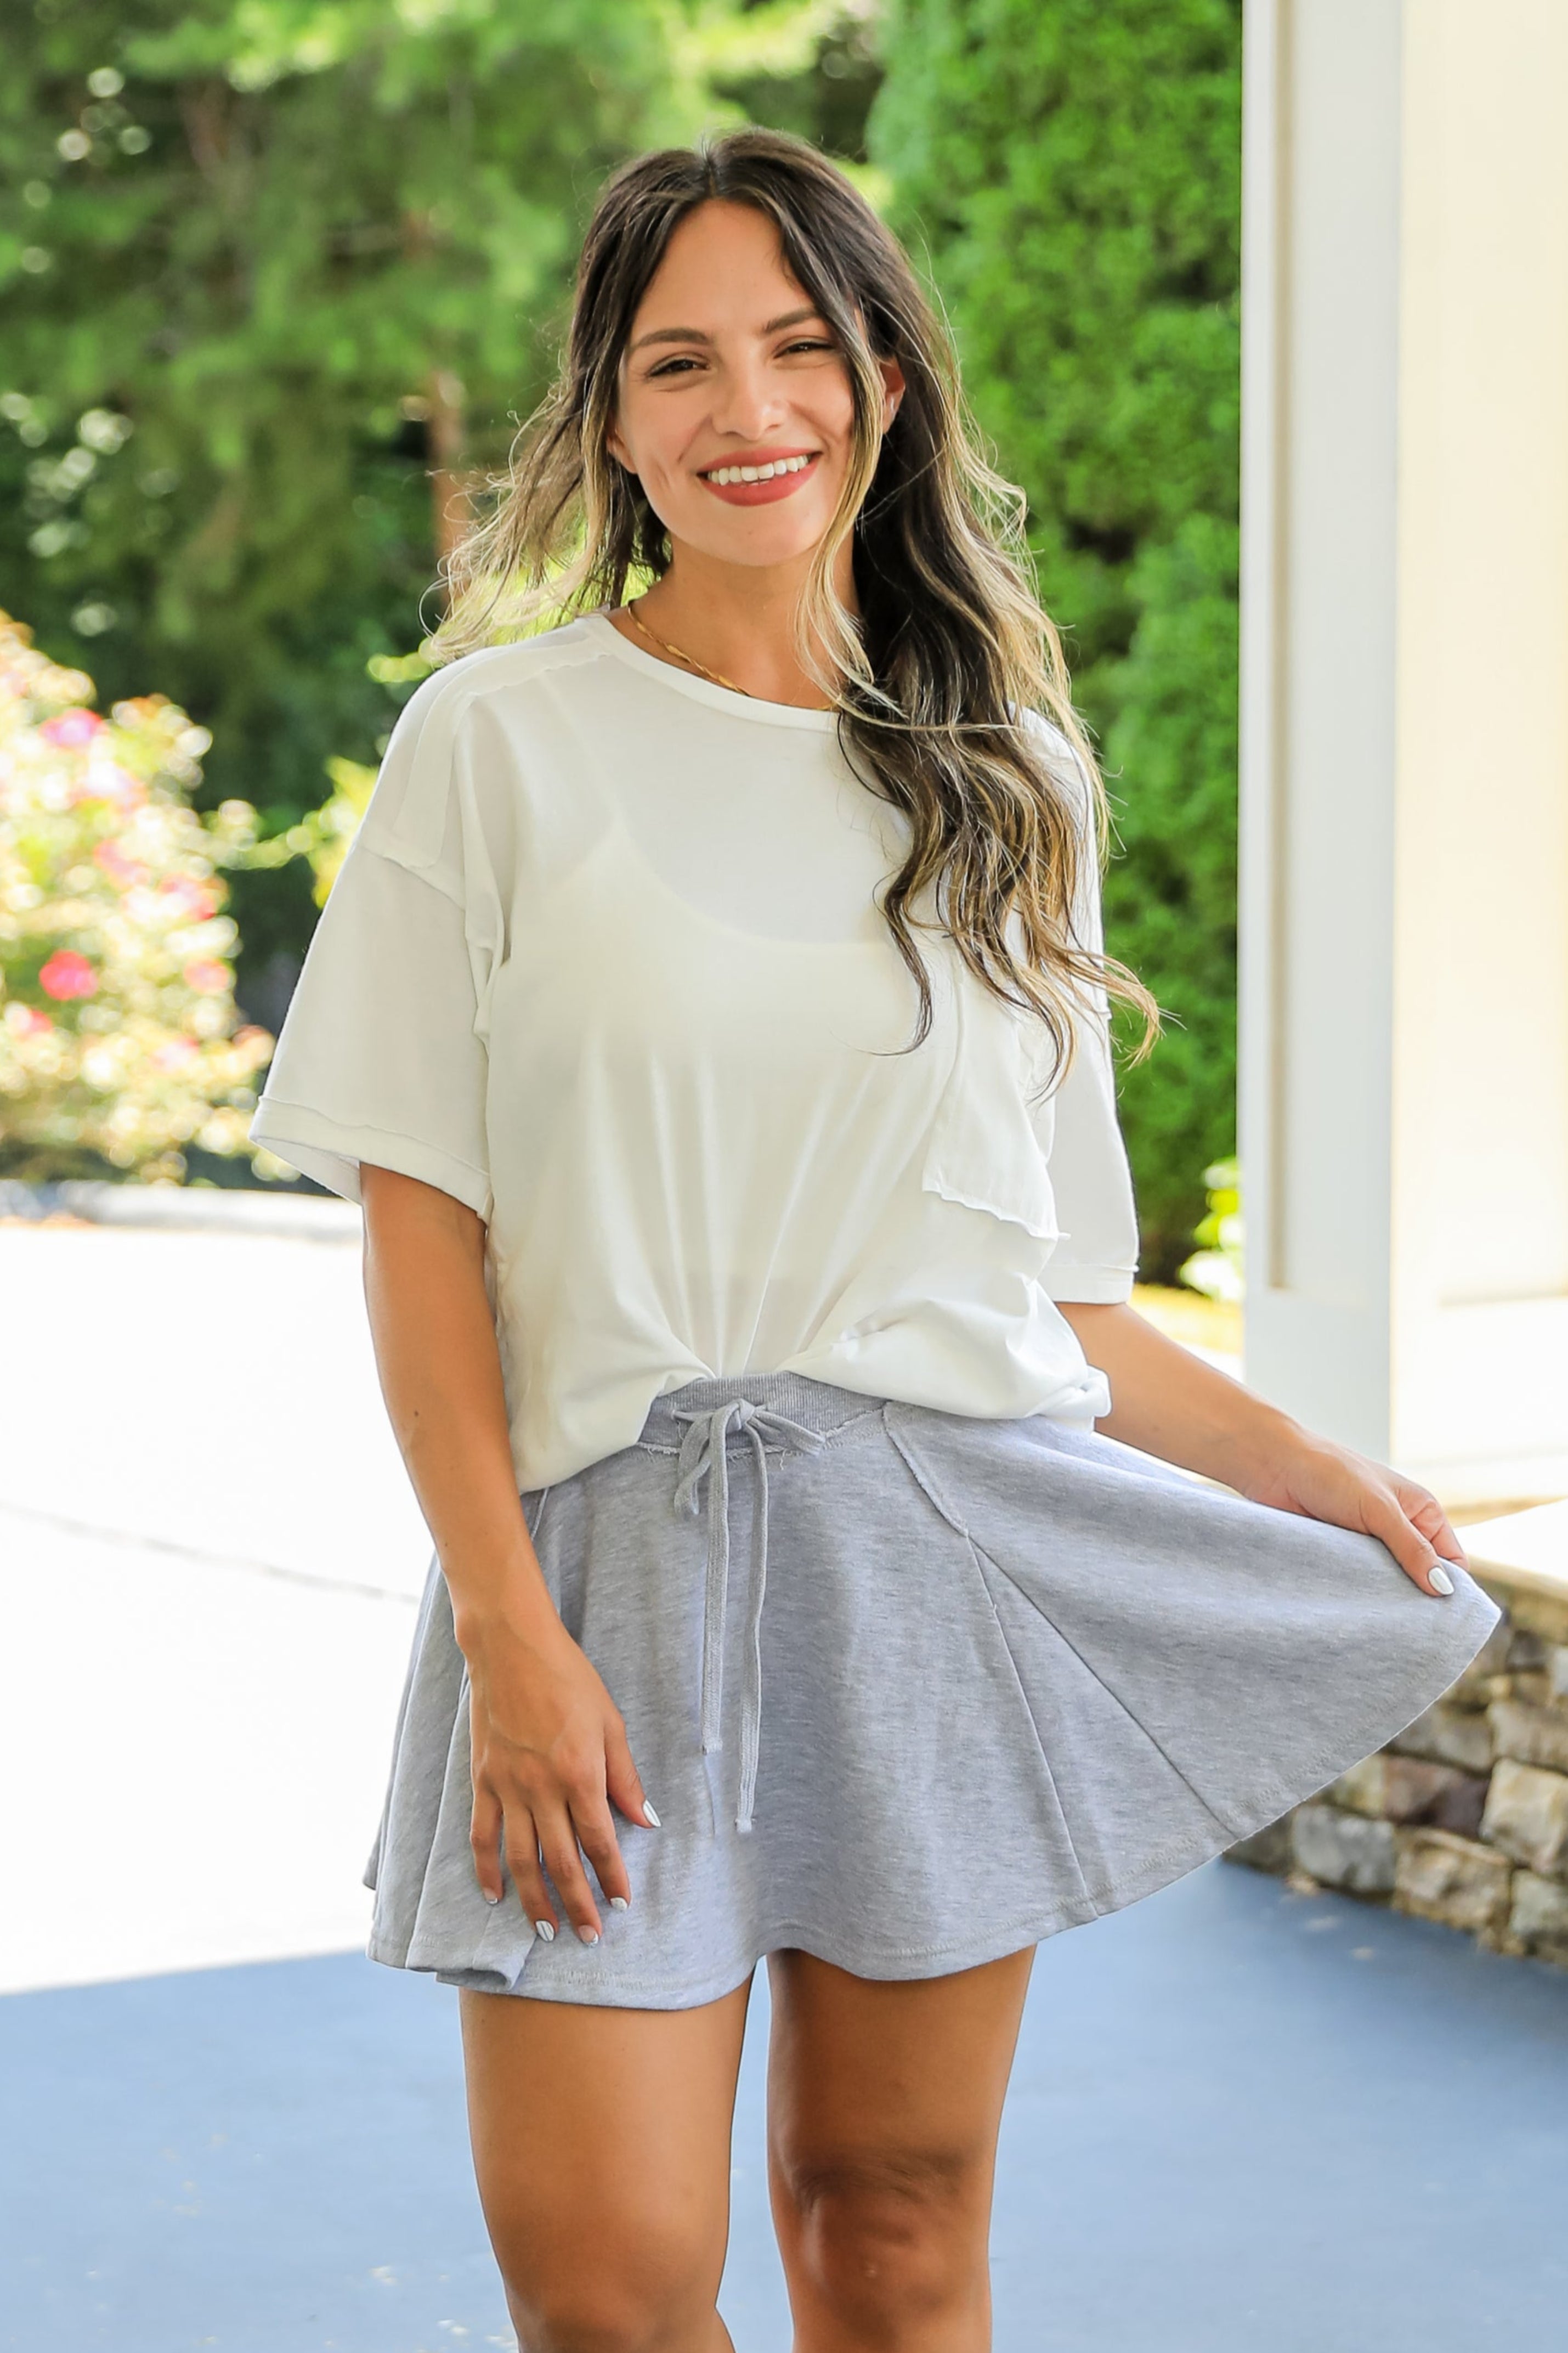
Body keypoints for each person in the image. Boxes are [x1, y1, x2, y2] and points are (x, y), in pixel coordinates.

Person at [251, 128, 1497, 2353]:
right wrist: (510, 1632)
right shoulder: (496, 744)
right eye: (683, 364)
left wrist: (1308, 1471)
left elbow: (1054, 1303)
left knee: (893, 2222)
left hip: (929, 1549)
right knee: (608, 2293)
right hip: (601, 1575)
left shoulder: (1006, 770)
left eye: (803, 350)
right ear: (612, 420)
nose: (753, 411)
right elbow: (421, 1231)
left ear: (887, 383)